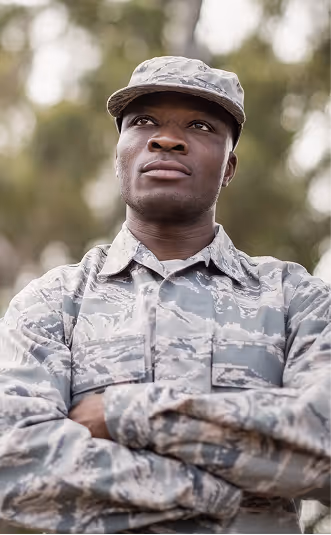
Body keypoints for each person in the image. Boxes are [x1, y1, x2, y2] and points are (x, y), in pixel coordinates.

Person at [0, 56, 330, 535]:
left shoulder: (296, 299)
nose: (167, 138)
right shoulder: (51, 303)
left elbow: (323, 437)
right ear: (120, 152)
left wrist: (124, 414)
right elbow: (11, 460)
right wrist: (213, 491)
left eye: (199, 125)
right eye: (143, 122)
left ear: (230, 167)